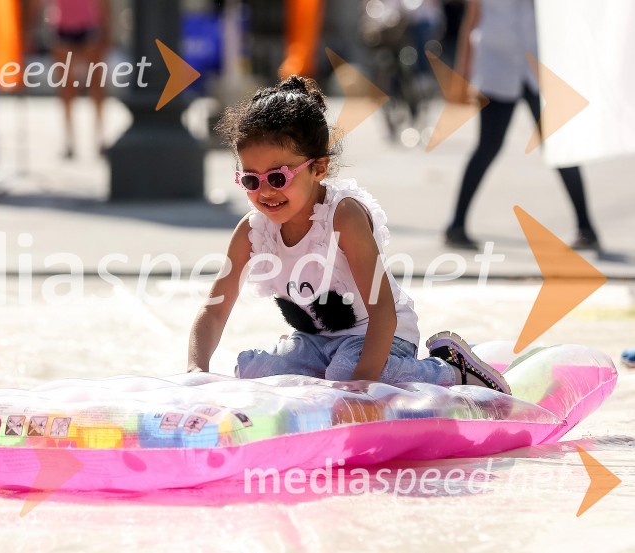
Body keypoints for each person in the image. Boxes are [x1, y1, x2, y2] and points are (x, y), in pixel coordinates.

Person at [186, 75, 511, 394]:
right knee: (254, 371)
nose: (266, 192)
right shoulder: (252, 231)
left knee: (344, 372)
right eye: (251, 181)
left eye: (278, 177)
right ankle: (333, 373)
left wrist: (359, 386)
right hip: (315, 342)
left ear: (319, 169)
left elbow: (382, 312)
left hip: (381, 334)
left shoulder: (343, 216)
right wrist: (196, 369)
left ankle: (450, 370)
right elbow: (214, 309)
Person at [445, 0, 599, 250]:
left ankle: (586, 227)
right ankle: (456, 226)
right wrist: (462, 73)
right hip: (497, 66)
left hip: (537, 64)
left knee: (559, 146)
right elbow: (471, 18)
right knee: (488, 147)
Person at [45, 0, 110, 159]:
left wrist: (107, 30)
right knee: (66, 88)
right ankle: (69, 141)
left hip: (88, 25)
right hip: (62, 26)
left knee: (96, 85)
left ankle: (100, 137)